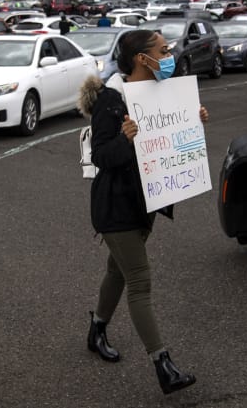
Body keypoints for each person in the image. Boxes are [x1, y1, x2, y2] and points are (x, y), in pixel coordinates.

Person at [76, 29, 207, 395]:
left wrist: (192, 120)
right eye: (163, 51)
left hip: (145, 202)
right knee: (139, 281)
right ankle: (163, 365)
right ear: (141, 59)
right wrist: (125, 139)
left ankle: (97, 328)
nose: (170, 56)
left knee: (117, 271)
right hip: (115, 207)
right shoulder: (110, 102)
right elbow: (102, 156)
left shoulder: (162, 95)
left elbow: (171, 140)